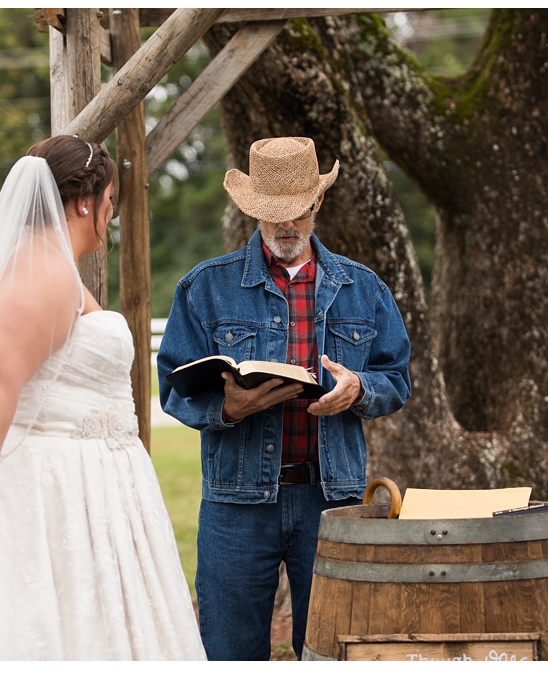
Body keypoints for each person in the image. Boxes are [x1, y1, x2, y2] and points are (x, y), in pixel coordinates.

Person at [0, 135, 206, 659]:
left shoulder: (48, 266)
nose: (111, 217)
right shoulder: (43, 269)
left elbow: (27, 391)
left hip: (95, 487)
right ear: (84, 202)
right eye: (110, 203)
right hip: (62, 487)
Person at [158, 136, 412, 661]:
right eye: (271, 215)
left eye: (295, 212)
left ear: (316, 203)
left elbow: (397, 379)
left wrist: (359, 390)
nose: (285, 227)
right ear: (250, 209)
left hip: (331, 497)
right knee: (228, 650)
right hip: (234, 503)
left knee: (331, 648)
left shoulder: (364, 288)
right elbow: (170, 387)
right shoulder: (204, 288)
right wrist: (227, 408)